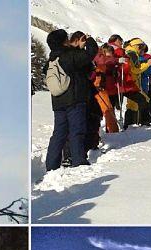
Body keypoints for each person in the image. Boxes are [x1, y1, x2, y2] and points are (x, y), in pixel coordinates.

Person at [44, 29, 98, 171]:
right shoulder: (68, 55)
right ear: (63, 41)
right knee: (76, 130)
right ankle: (78, 160)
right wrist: (90, 40)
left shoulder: (51, 60)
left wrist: (76, 48)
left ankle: (51, 165)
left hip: (57, 102)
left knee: (59, 133)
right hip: (74, 99)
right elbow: (90, 54)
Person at [122, 38, 151, 128]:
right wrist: (147, 64)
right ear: (137, 46)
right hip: (132, 82)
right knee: (142, 100)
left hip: (128, 82)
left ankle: (131, 123)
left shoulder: (128, 51)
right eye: (142, 48)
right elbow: (136, 69)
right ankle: (141, 122)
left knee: (133, 103)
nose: (142, 50)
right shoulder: (133, 54)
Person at [93, 44, 120, 133]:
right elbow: (106, 61)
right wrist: (117, 60)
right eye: (109, 53)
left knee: (106, 109)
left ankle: (109, 130)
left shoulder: (98, 57)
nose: (110, 55)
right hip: (99, 87)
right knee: (107, 109)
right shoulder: (99, 57)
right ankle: (112, 131)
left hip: (103, 87)